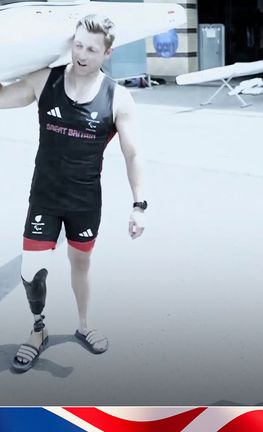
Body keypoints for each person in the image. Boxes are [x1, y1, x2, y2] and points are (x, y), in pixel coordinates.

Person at [0, 14, 147, 372]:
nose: (81, 54)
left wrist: (139, 204)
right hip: (45, 197)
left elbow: (133, 153)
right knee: (31, 268)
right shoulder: (44, 81)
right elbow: (3, 97)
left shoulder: (118, 97)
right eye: (78, 45)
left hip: (84, 201)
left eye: (91, 49)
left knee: (81, 264)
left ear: (107, 53)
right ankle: (38, 329)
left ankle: (84, 325)